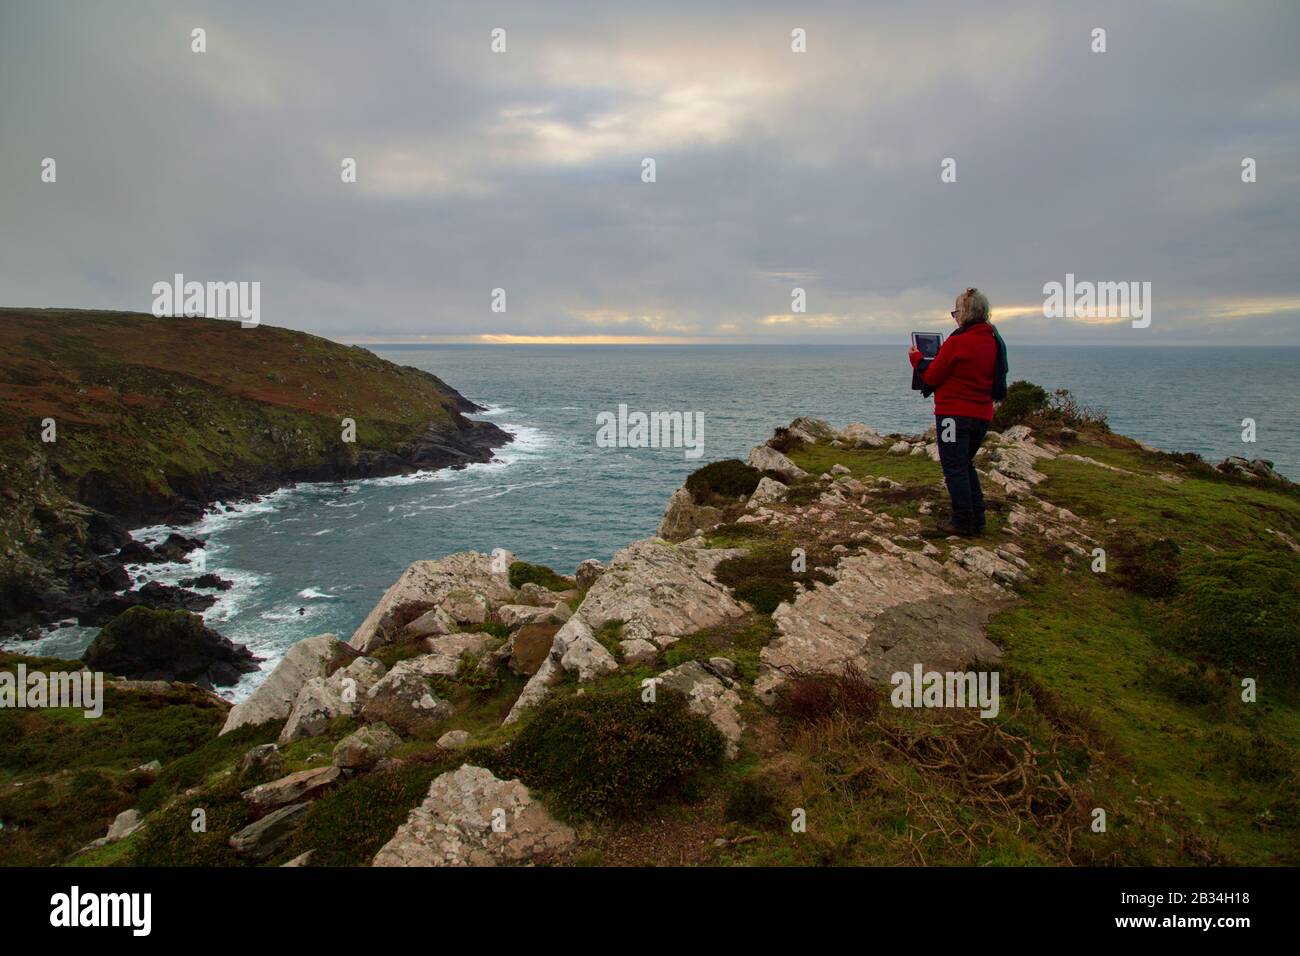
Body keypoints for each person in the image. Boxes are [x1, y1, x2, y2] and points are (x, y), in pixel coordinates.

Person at [907, 288, 1008, 536]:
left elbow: (932, 375)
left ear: (966, 313)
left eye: (956, 312)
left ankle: (962, 522)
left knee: (954, 467)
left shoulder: (958, 342)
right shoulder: (994, 340)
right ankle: (977, 520)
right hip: (982, 416)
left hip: (953, 416)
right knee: (964, 464)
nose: (955, 317)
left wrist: (918, 360)